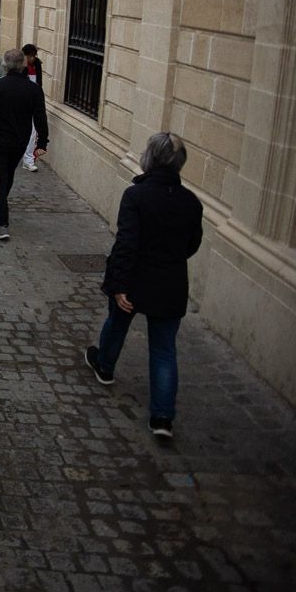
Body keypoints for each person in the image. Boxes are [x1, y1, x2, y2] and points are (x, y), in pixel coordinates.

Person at [84, 133, 203, 440]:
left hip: (135, 279)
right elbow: (192, 244)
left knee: (117, 323)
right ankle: (162, 417)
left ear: (150, 157)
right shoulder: (190, 202)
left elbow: (126, 242)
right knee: (164, 350)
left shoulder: (136, 196)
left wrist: (120, 284)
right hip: (170, 282)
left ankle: (105, 366)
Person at [0, 48, 48, 241]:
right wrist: (42, 142)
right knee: (8, 173)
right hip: (19, 141)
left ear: (4, 65)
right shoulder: (34, 89)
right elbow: (40, 117)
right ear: (23, 64)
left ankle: (2, 223)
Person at [21, 43, 44, 171]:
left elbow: (39, 84)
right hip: (22, 100)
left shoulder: (37, 65)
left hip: (33, 100)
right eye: (30, 56)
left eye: (33, 56)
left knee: (33, 130)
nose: (32, 58)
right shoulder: (19, 66)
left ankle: (28, 159)